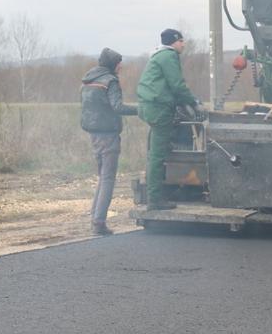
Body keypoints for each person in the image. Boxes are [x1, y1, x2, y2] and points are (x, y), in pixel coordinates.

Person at [136, 28, 200, 211]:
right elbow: (177, 85)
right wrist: (193, 102)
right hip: (159, 109)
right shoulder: (169, 56)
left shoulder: (158, 56)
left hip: (151, 106)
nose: (183, 44)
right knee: (157, 156)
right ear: (173, 42)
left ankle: (159, 192)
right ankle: (155, 199)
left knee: (161, 149)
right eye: (181, 41)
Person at [81, 47, 137, 235]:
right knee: (108, 179)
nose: (121, 66)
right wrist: (141, 110)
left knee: (102, 177)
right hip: (108, 135)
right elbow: (118, 107)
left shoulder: (88, 80)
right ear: (113, 64)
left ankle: (94, 218)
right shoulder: (110, 81)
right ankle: (99, 223)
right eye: (119, 63)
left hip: (94, 134)